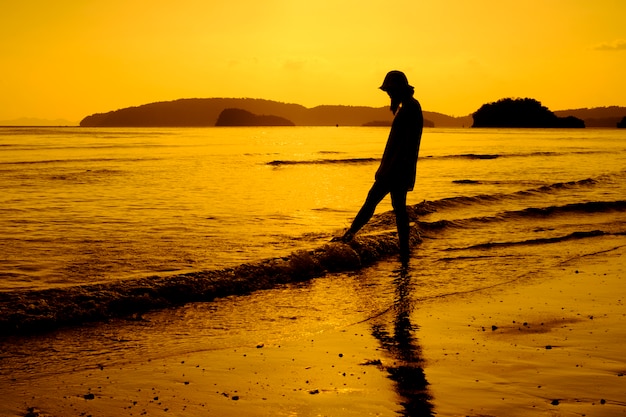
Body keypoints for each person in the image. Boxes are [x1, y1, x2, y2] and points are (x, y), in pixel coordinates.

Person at [337, 70, 423, 265]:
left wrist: (387, 169)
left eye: (391, 90)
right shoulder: (409, 106)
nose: (389, 94)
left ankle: (349, 236)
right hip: (400, 167)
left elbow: (405, 144)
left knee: (372, 201)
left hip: (396, 168)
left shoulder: (410, 107)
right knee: (397, 208)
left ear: (400, 88)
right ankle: (404, 249)